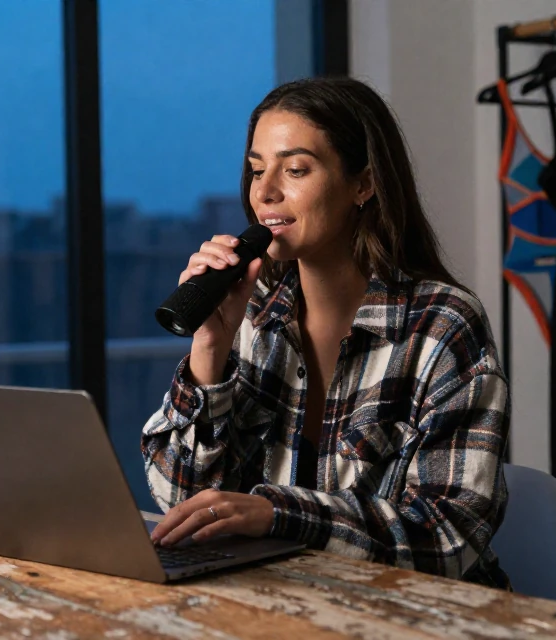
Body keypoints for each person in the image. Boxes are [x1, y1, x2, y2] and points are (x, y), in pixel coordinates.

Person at [142, 76, 511, 589]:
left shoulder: (443, 325)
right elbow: (181, 500)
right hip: (292, 602)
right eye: (255, 171)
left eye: (294, 170)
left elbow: (449, 539)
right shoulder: (254, 316)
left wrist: (277, 513)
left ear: (364, 184)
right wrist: (209, 348)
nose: (265, 193)